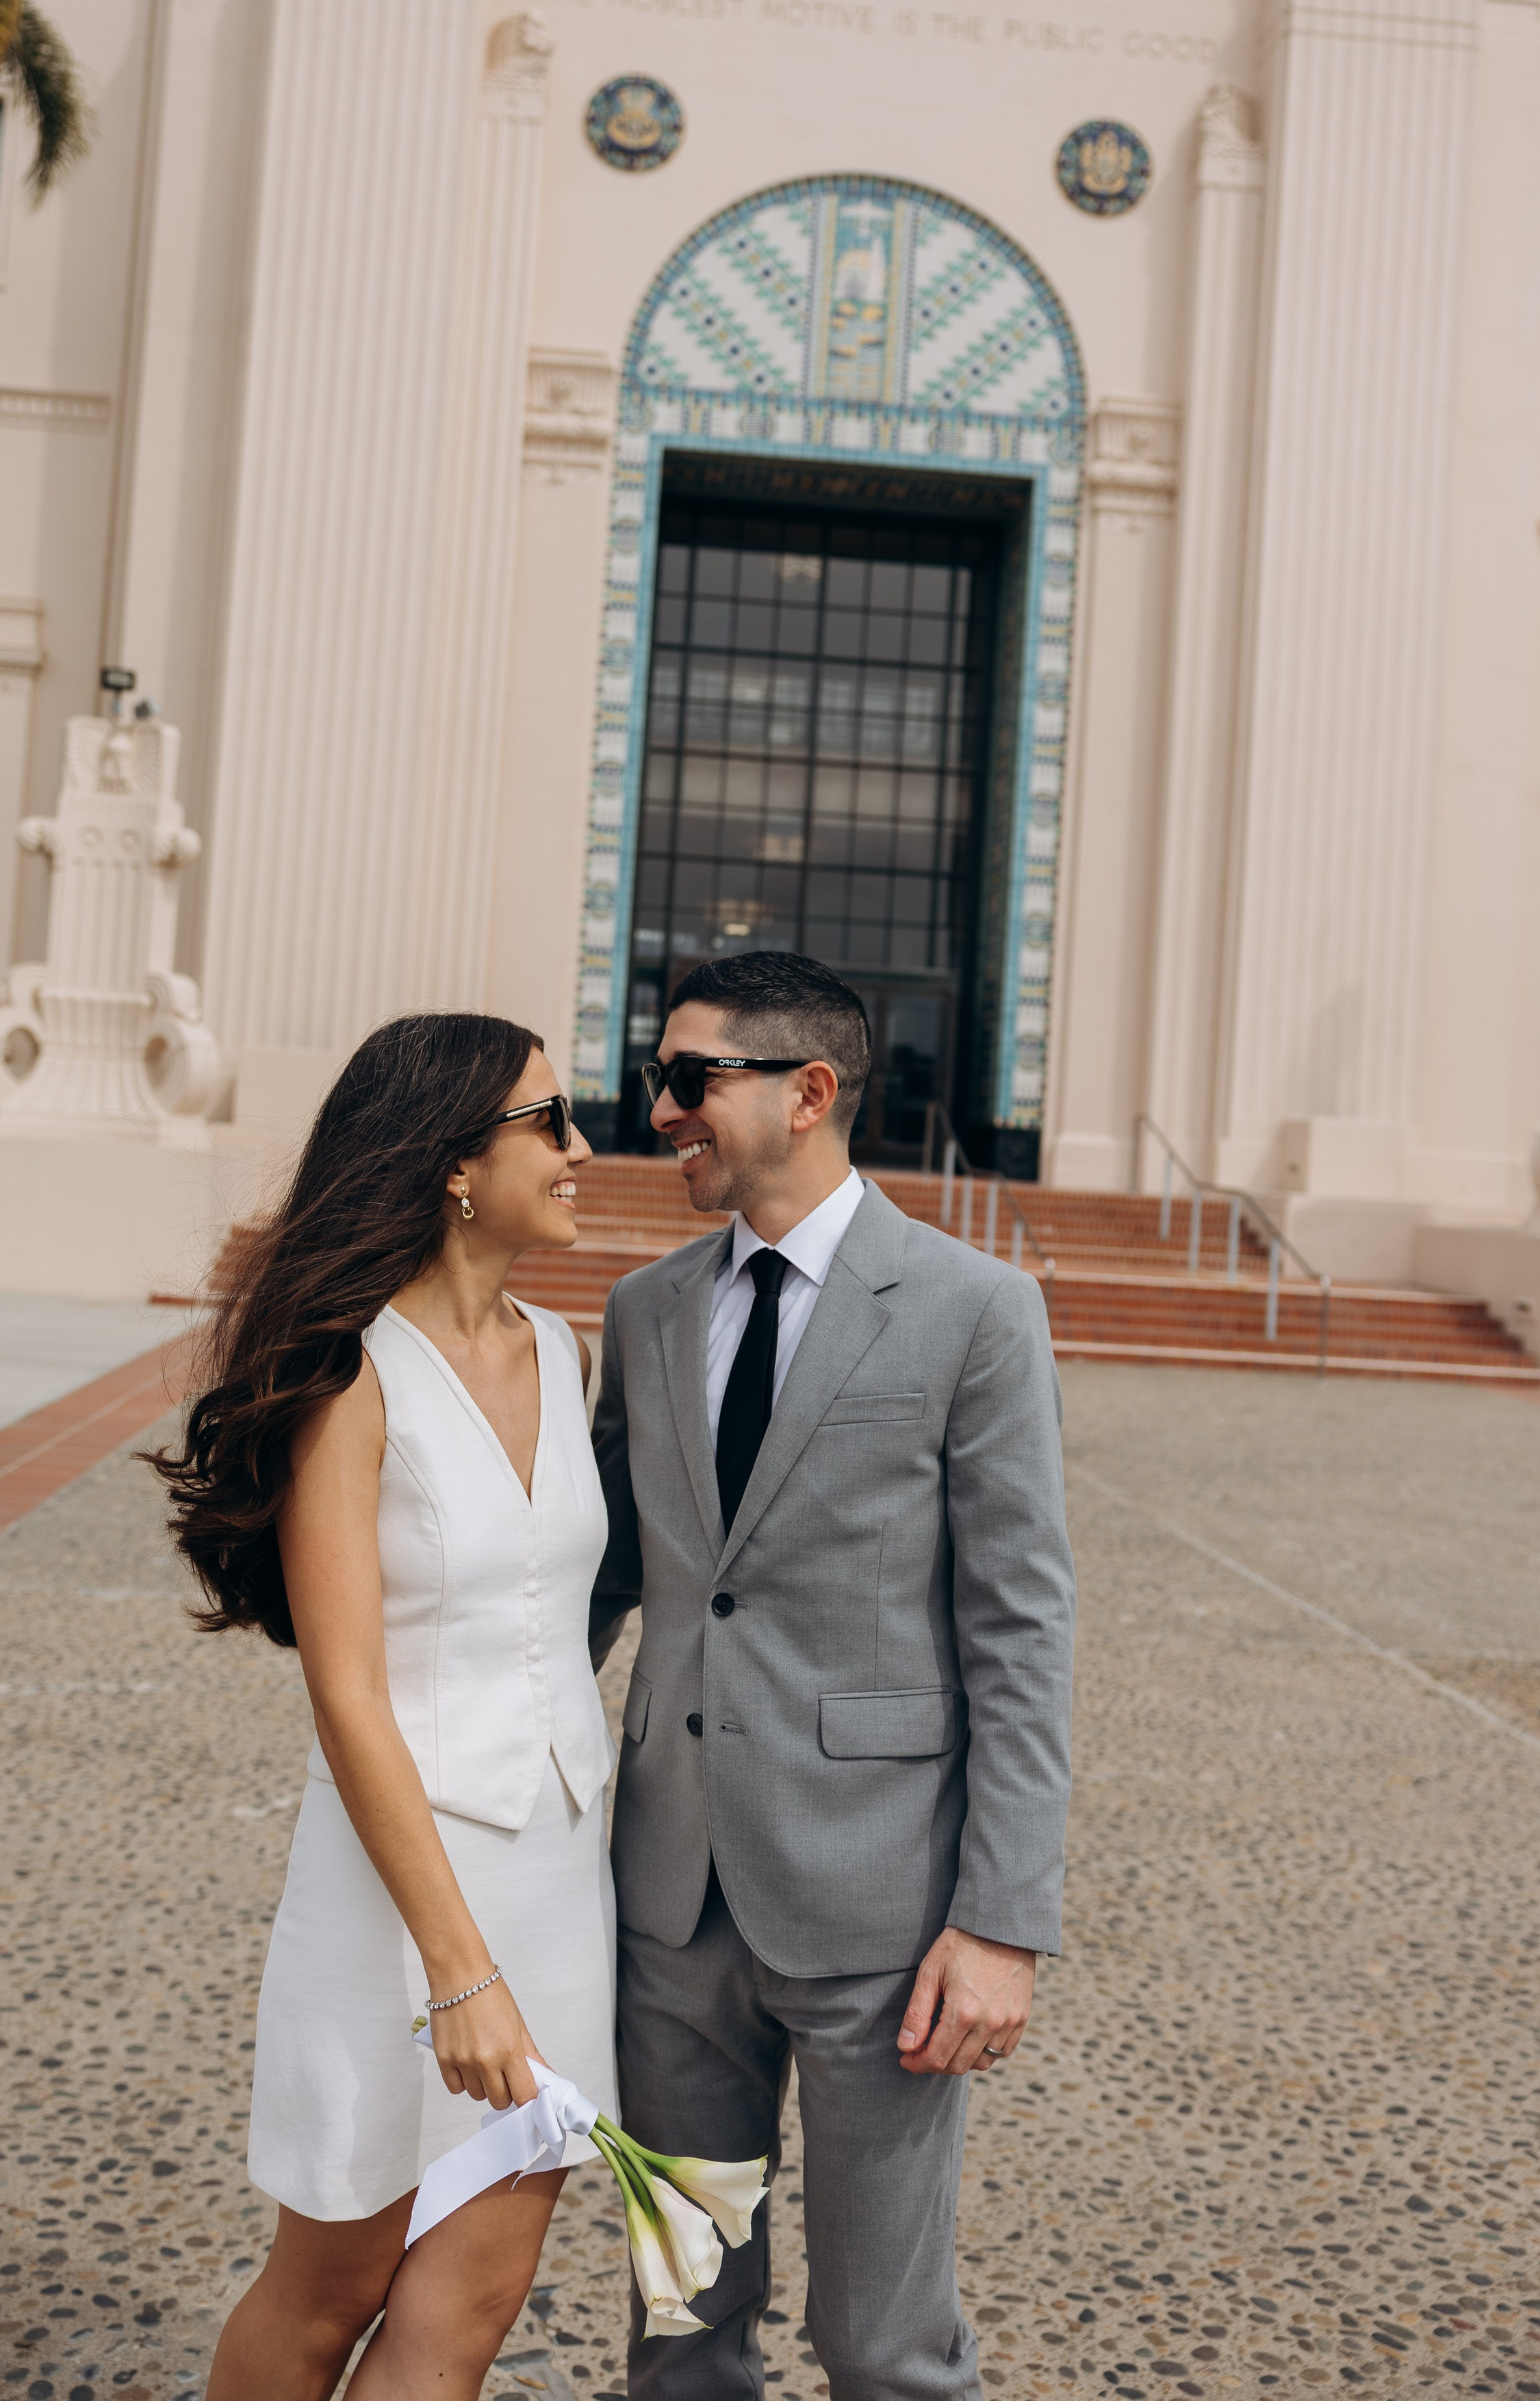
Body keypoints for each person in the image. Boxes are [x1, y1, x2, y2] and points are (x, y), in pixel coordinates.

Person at [591, 950, 1076, 2401]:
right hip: (670, 1911)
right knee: (681, 2330)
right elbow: (601, 1582)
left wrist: (1001, 1920)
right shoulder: (643, 1309)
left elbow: (1020, 1626)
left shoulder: (970, 1307)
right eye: (656, 1080)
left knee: (882, 2345)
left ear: (805, 1093)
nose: (660, 1110)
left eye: (688, 1080)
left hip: (883, 1916)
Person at [150, 1014, 615, 2401]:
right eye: (552, 1119)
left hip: (555, 1873)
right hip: (394, 1896)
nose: (582, 1147)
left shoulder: (565, 1350)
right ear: (454, 1164)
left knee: (469, 2308)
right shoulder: (346, 1374)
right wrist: (459, 1973)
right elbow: (348, 1696)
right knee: (331, 2286)